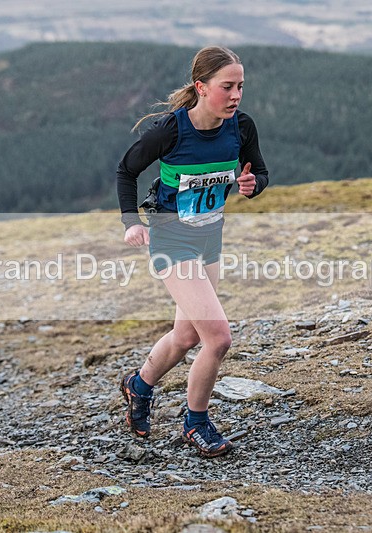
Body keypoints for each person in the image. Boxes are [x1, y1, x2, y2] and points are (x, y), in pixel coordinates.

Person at [116, 46, 270, 457]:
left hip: (209, 240)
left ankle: (140, 384)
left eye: (240, 86)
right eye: (227, 87)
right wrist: (132, 222)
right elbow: (126, 170)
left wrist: (254, 185)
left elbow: (259, 169)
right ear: (201, 87)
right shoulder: (171, 131)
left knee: (186, 336)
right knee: (218, 338)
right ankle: (195, 423)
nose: (236, 95)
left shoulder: (241, 127)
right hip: (171, 240)